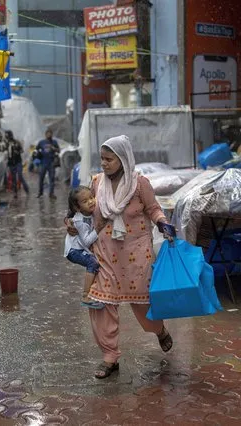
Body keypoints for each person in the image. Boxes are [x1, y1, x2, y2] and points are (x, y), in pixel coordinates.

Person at [65, 135, 175, 379]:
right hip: (104, 252)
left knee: (143, 304)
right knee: (101, 304)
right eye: (102, 159)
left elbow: (153, 209)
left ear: (123, 159)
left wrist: (163, 224)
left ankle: (159, 331)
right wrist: (70, 222)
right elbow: (80, 207)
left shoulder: (139, 184)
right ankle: (110, 357)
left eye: (109, 159)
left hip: (137, 254)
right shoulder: (96, 183)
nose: (103, 164)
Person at [64, 186, 106, 310]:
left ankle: (93, 293)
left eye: (91, 198)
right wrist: (98, 229)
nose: (91, 202)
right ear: (77, 208)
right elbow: (87, 241)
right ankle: (85, 296)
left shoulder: (88, 214)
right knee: (93, 263)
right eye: (85, 201)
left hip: (79, 248)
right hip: (74, 251)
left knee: (95, 264)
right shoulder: (80, 221)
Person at [36, 129, 60, 199]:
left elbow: (59, 150)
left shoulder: (54, 142)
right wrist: (37, 158)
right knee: (41, 178)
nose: (49, 135)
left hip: (51, 163)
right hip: (43, 162)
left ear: (52, 134)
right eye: (48, 133)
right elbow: (36, 150)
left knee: (52, 178)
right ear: (45, 134)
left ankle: (51, 193)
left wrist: (54, 148)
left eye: (50, 133)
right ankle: (40, 193)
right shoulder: (41, 142)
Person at [5, 130, 29, 198]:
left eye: (8, 135)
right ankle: (15, 193)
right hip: (11, 163)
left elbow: (21, 150)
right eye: (6, 136)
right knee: (13, 179)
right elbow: (5, 151)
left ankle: (26, 189)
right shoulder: (6, 143)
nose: (7, 137)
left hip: (18, 162)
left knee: (20, 176)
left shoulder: (16, 142)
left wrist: (17, 151)